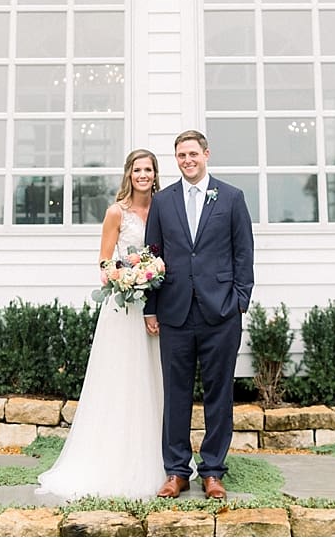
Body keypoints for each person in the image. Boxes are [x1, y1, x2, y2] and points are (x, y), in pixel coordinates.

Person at [36, 149, 166, 500]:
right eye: (137, 169)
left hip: (155, 309)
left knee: (152, 379)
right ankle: (112, 459)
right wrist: (129, 278)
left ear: (155, 174)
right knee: (121, 380)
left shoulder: (164, 208)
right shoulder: (116, 212)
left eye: (148, 169)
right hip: (123, 310)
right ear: (129, 174)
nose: (143, 175)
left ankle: (157, 458)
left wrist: (151, 276)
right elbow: (105, 263)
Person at [143, 129, 254, 500]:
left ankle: (213, 471)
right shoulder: (163, 201)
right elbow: (153, 255)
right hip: (175, 312)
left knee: (218, 395)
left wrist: (240, 300)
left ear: (206, 154)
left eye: (193, 154)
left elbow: (243, 252)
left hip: (221, 312)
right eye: (181, 155)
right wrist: (150, 307)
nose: (187, 160)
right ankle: (176, 471)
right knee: (175, 396)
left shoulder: (232, 197)